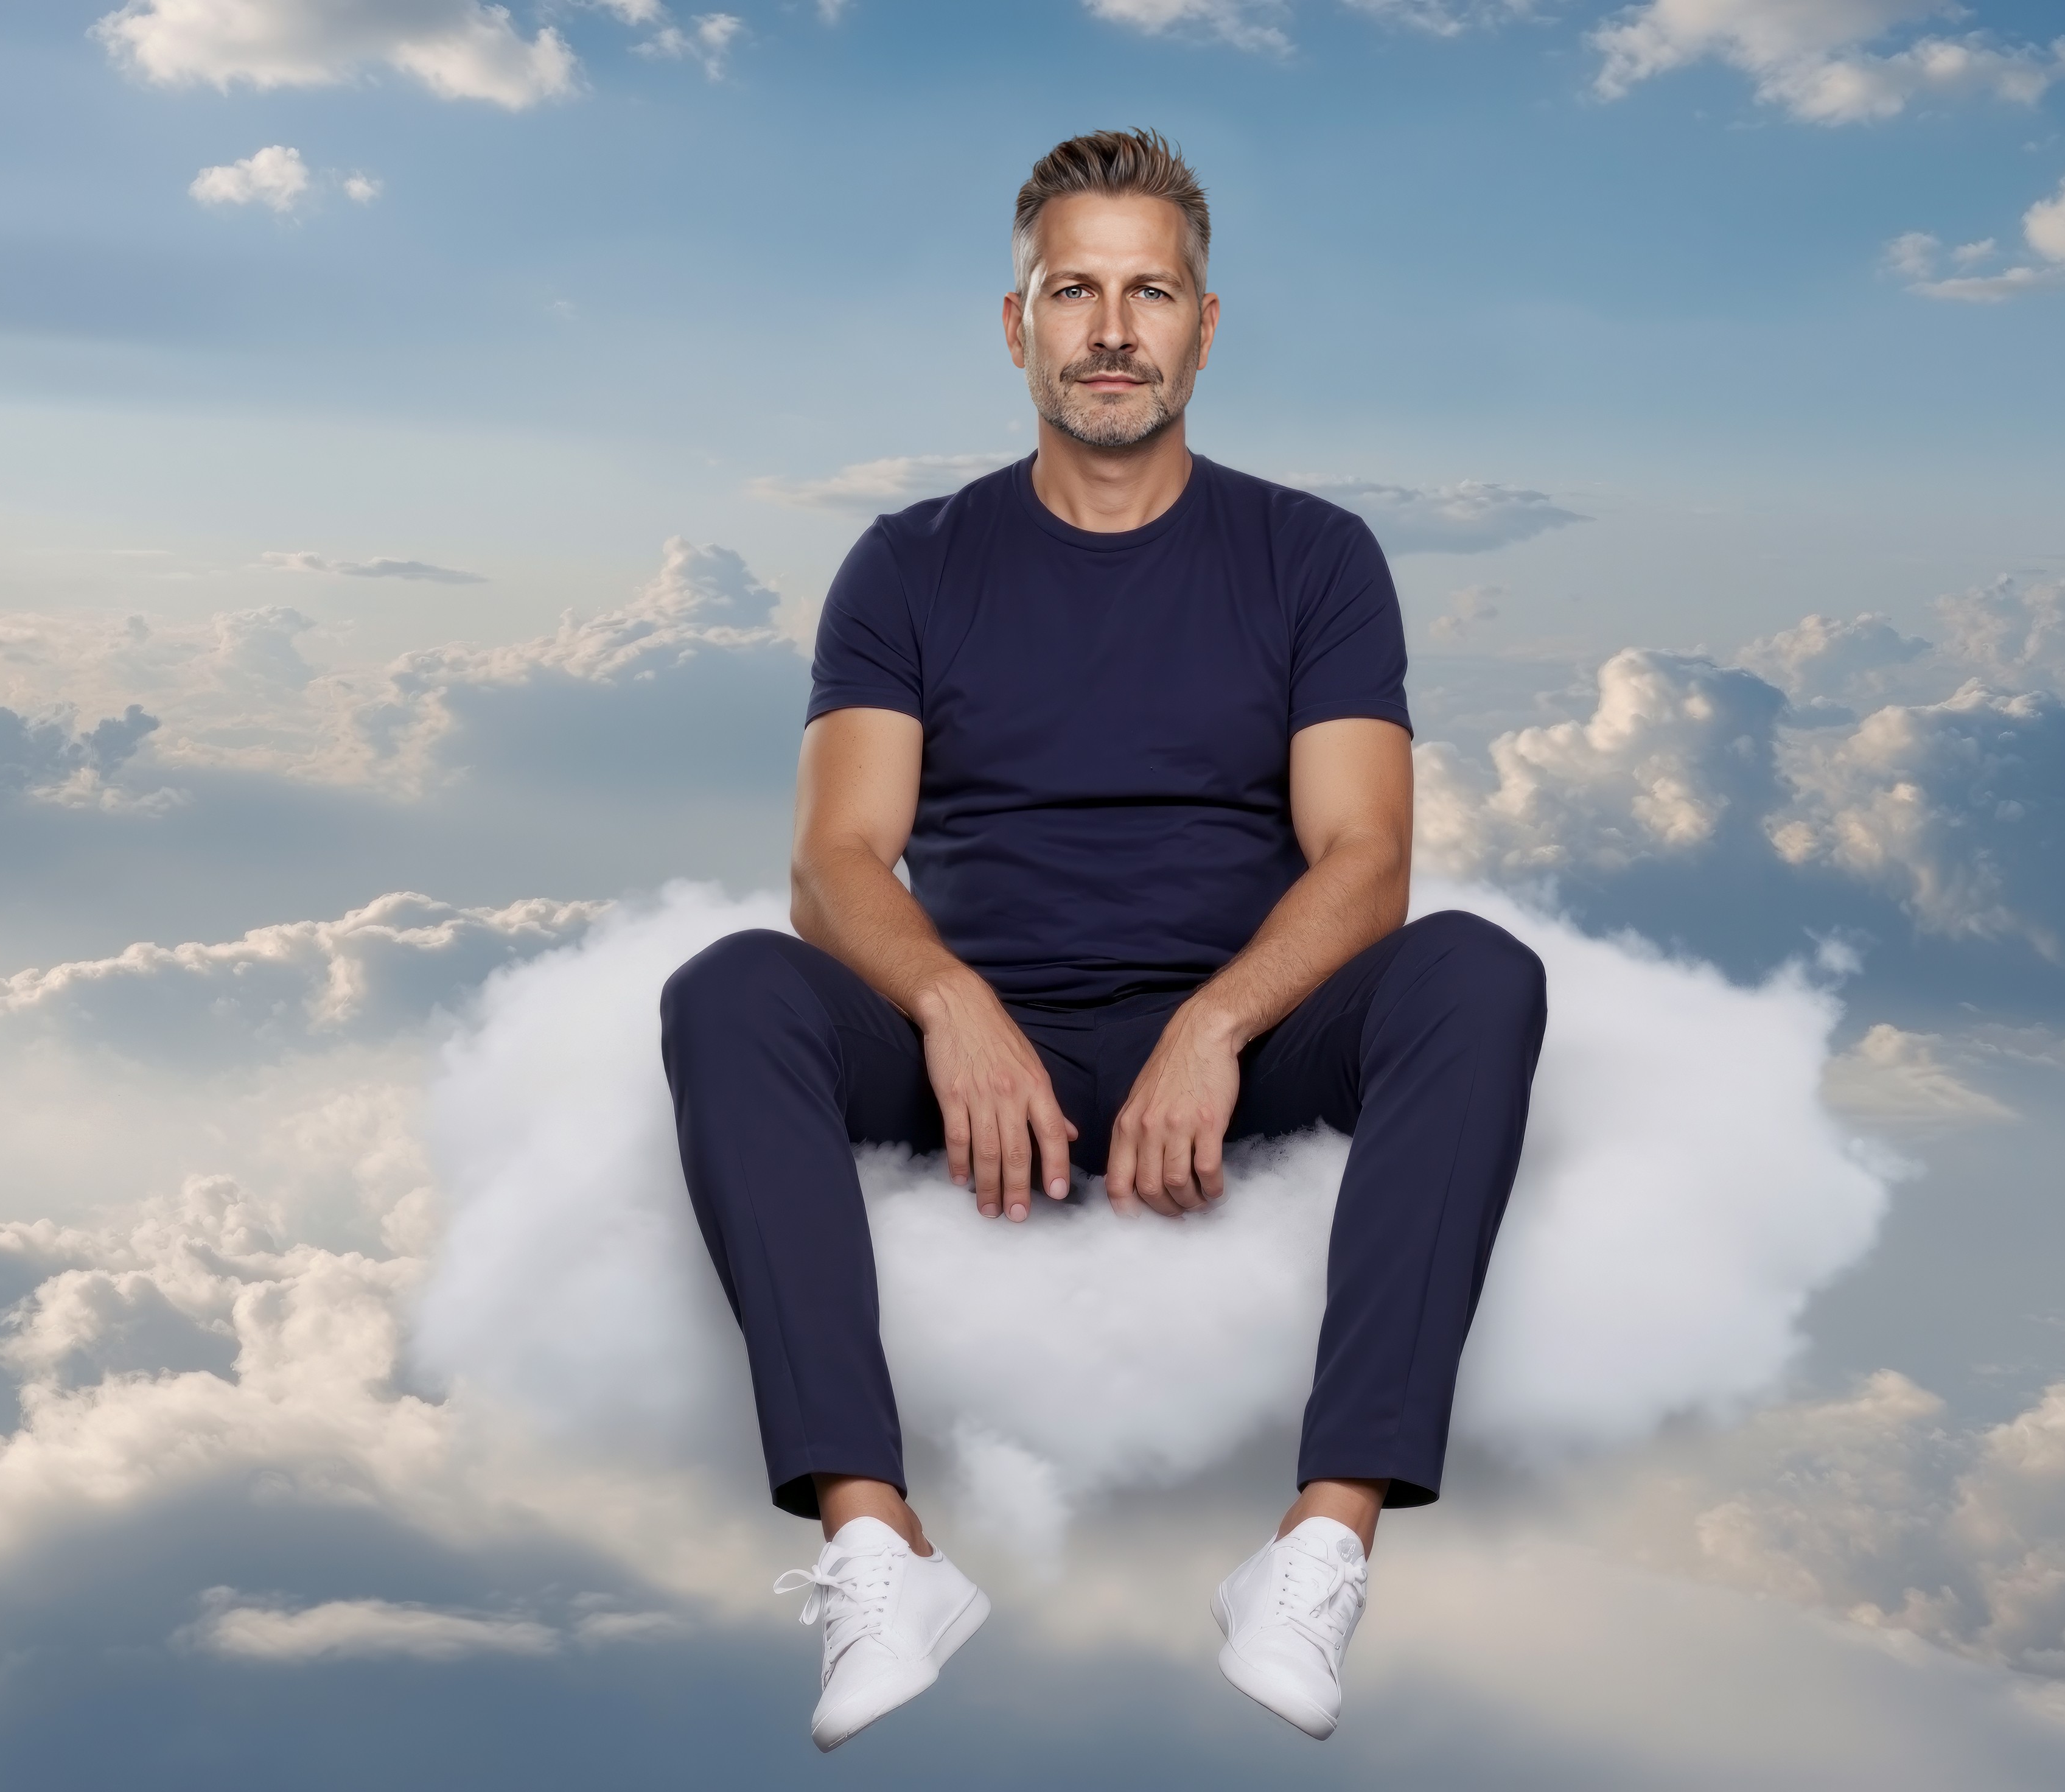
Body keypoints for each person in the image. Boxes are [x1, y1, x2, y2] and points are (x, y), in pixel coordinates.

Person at [659, 128, 1548, 1751]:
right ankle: (879, 1544)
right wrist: (946, 1002)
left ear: (1208, 326)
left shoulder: (1314, 556)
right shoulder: (911, 564)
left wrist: (1215, 1029)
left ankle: (1321, 1544)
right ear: (1019, 325)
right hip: (976, 1050)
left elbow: (1366, 862)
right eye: (1077, 289)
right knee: (728, 993)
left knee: (1480, 972)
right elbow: (839, 859)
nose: (1115, 328)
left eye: (1153, 292)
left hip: (1255, 1035)